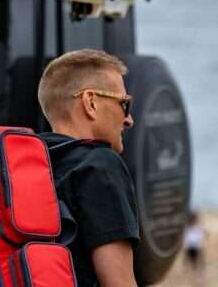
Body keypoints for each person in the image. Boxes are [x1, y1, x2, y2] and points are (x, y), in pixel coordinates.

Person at [37, 49, 140, 287]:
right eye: (124, 104)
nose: (129, 119)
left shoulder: (25, 163)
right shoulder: (99, 165)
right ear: (90, 102)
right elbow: (119, 282)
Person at [182, 210, 207, 283]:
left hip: (195, 247)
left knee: (198, 264)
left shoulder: (194, 227)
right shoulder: (190, 227)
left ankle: (197, 277)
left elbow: (202, 235)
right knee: (194, 263)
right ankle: (196, 277)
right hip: (193, 247)